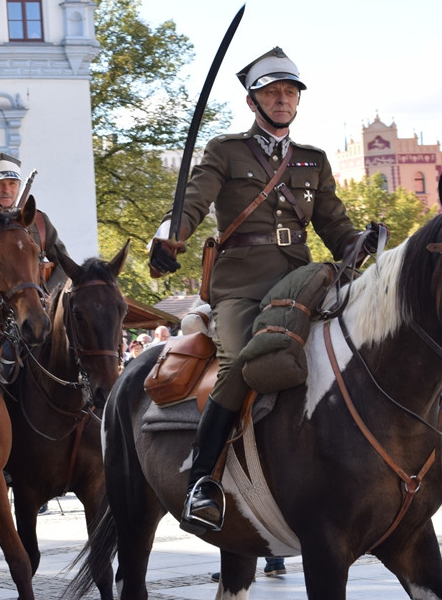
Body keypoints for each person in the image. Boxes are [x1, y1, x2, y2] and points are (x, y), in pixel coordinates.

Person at [148, 47, 383, 534]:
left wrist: (366, 244)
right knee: (239, 361)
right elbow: (193, 201)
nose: (282, 100)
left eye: (290, 92)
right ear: (253, 102)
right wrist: (171, 234)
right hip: (240, 286)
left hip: (299, 278)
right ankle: (203, 479)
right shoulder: (226, 150)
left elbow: (334, 227)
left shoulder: (312, 161)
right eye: (272, 92)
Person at [0, 152, 69, 293]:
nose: (6, 190)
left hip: (37, 306)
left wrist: (46, 295)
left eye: (12, 183)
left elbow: (64, 264)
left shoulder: (38, 221)